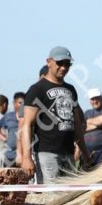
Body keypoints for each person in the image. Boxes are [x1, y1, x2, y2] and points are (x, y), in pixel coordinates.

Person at [20, 46, 91, 183]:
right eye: (60, 63)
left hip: (68, 154)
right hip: (47, 154)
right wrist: (26, 157)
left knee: (69, 198)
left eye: (67, 64)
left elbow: (76, 124)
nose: (64, 67)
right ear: (49, 62)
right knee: (51, 197)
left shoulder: (70, 89)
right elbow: (26, 125)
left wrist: (85, 153)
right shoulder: (37, 89)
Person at [0, 92, 24, 166]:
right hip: (10, 156)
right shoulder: (8, 116)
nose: (22, 105)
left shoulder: (28, 117)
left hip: (24, 155)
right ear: (14, 103)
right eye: (20, 103)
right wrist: (4, 138)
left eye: (24, 103)